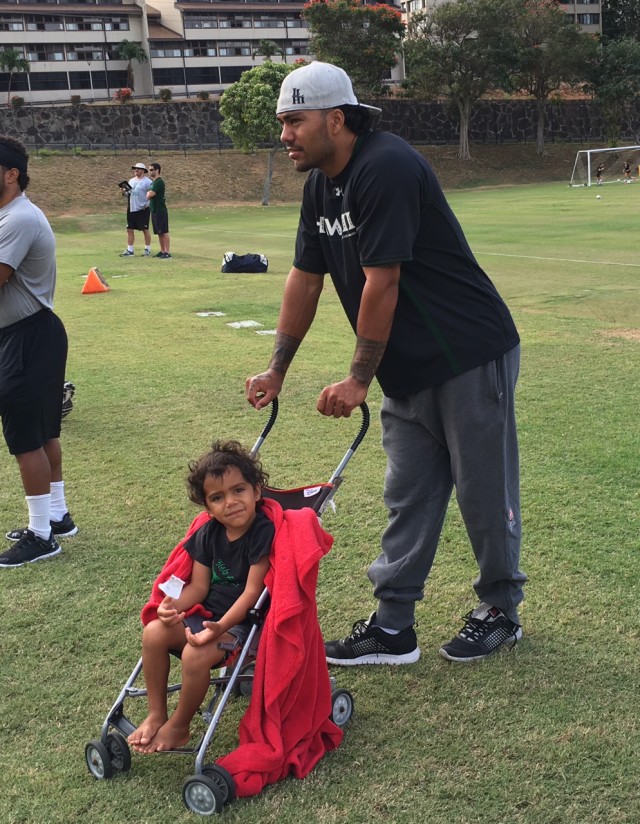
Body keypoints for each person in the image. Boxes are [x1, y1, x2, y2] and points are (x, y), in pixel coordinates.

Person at [246, 62, 526, 665]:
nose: (286, 134)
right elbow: (305, 277)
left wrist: (357, 378)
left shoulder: (386, 166)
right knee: (408, 496)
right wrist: (278, 369)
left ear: (336, 118)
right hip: (407, 369)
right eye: (282, 122)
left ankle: (500, 609)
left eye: (295, 120)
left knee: (483, 491)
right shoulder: (320, 186)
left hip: (466, 354)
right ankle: (393, 627)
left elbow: (383, 281)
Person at [128, 440, 273, 753]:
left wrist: (219, 628)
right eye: (218, 497)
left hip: (242, 627)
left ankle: (179, 726)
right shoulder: (208, 533)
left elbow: (253, 592)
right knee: (154, 631)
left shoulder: (263, 531)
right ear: (208, 507)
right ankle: (156, 714)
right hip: (205, 617)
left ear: (256, 492)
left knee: (195, 656)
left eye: (239, 490)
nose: (231, 502)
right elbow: (198, 588)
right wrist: (171, 606)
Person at [0, 135, 77, 569]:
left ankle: (41, 535)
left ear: (11, 174)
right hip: (29, 334)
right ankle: (57, 515)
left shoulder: (18, 219)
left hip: (28, 335)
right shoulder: (10, 215)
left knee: (25, 437)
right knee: (44, 431)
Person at [120, 162, 152, 256]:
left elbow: (152, 194)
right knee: (129, 229)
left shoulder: (148, 182)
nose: (136, 170)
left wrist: (148, 204)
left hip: (142, 209)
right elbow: (128, 194)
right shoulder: (131, 181)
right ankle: (130, 250)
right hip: (131, 208)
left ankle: (147, 249)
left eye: (138, 169)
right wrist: (123, 192)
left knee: (145, 229)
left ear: (143, 171)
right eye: (135, 168)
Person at [146, 162, 171, 259]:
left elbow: (150, 194)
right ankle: (162, 250)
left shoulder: (159, 182)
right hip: (154, 209)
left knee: (164, 232)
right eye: (149, 170)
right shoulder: (153, 182)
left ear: (157, 170)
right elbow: (148, 194)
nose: (150, 172)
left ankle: (167, 252)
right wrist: (149, 194)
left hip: (160, 210)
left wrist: (149, 194)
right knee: (159, 232)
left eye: (152, 170)